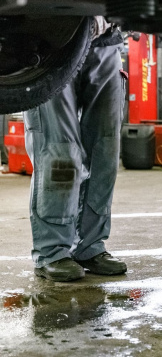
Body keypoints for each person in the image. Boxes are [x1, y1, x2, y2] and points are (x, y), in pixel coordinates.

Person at [24, 16, 127, 282]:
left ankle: (90, 246)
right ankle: (53, 251)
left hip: (107, 44)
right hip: (53, 45)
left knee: (104, 150)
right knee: (59, 151)